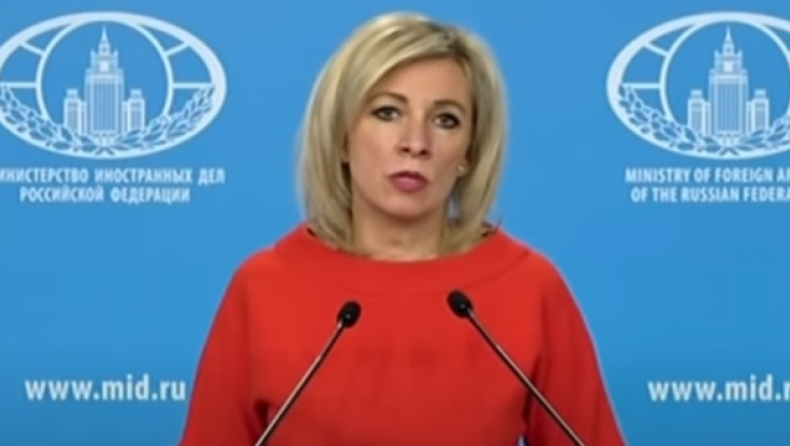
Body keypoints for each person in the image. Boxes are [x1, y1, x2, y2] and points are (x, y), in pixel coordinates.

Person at [179, 11, 625, 446]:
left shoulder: (529, 288)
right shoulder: (262, 289)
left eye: (445, 119)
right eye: (388, 112)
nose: (416, 142)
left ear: (469, 153)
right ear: (341, 137)